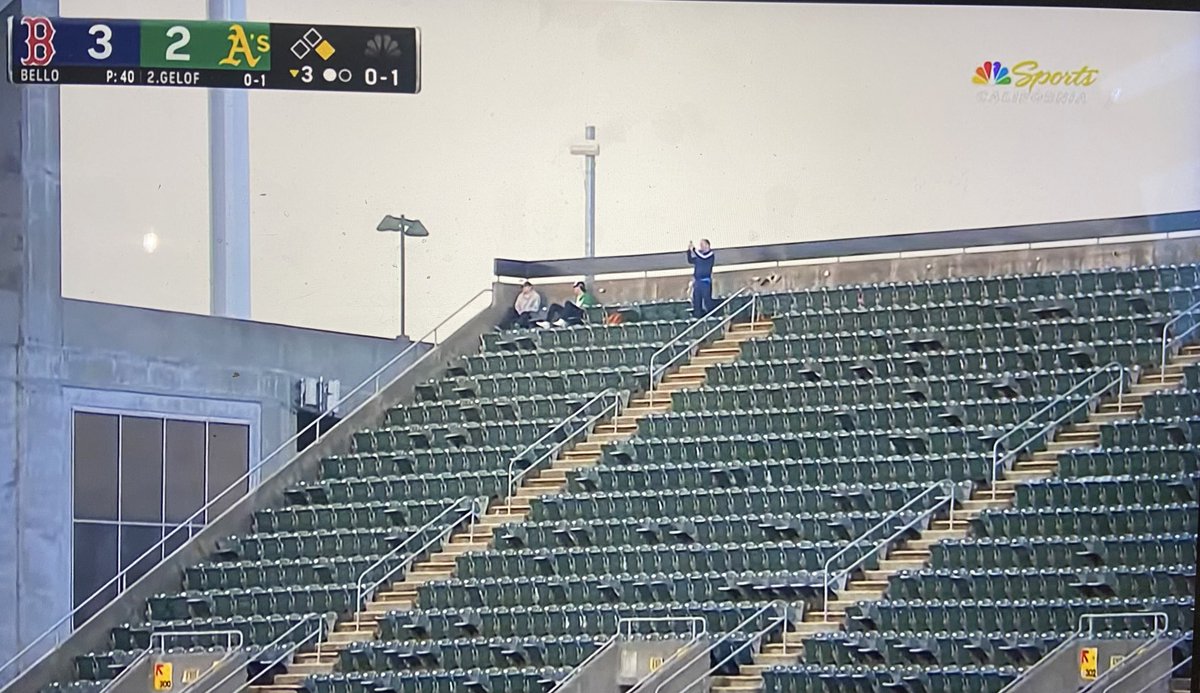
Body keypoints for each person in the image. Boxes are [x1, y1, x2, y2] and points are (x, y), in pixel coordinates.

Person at [687, 239, 716, 317]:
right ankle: (698, 316)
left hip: (705, 282)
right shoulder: (699, 256)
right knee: (696, 301)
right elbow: (690, 260)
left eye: (702, 244)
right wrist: (689, 251)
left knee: (707, 300)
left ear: (707, 245)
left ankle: (712, 316)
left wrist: (694, 249)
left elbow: (703, 257)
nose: (701, 247)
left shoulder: (710, 255)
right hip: (697, 282)